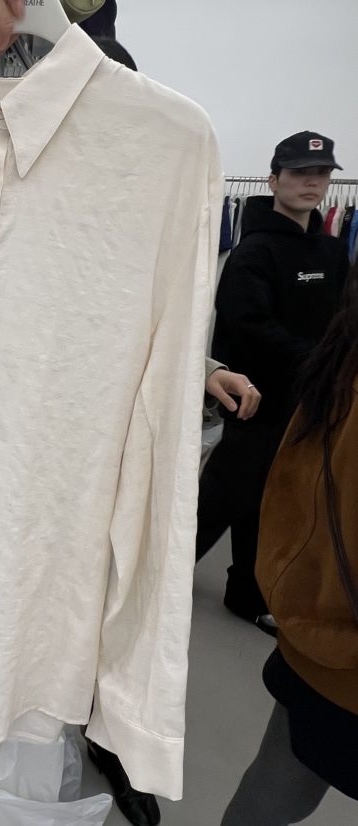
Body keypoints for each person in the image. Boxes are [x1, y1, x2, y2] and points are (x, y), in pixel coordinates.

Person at [0, 4, 258, 826]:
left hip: (80, 458)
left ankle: (100, 747)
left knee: (80, 611)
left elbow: (150, 318)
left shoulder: (145, 181)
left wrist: (202, 370)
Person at [221, 261, 358, 826]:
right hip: (338, 641)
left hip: (323, 629)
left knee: (278, 779)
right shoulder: (258, 251)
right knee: (278, 783)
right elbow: (244, 320)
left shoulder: (342, 347)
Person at [198, 132, 349, 634]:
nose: (312, 182)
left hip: (310, 402)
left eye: (321, 173)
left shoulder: (332, 252)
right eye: (300, 173)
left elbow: (342, 321)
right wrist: (318, 362)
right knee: (222, 497)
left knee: (272, 499)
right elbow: (247, 326)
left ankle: (247, 592)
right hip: (254, 402)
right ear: (273, 180)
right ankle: (155, 576)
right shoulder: (254, 251)